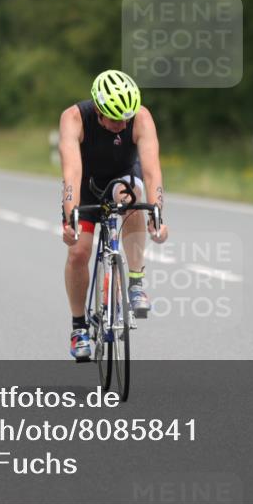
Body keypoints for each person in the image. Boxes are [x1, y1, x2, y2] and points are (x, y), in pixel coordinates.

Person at [59, 70, 169, 361]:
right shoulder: (74, 118)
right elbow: (71, 172)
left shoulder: (141, 118)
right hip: (86, 185)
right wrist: (70, 217)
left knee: (132, 196)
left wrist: (157, 215)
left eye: (126, 119)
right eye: (115, 119)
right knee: (78, 252)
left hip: (123, 178)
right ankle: (79, 327)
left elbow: (152, 171)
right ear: (98, 110)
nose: (122, 125)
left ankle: (135, 283)